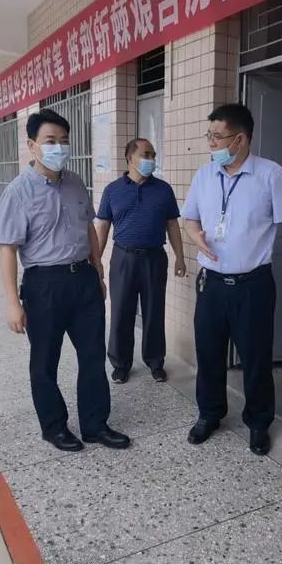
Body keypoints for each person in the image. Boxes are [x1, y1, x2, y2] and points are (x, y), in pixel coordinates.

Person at [182, 103, 282, 456]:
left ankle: (259, 423)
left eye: (218, 137)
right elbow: (189, 218)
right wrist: (195, 236)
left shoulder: (269, 174)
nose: (211, 143)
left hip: (253, 285)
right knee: (209, 352)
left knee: (256, 357)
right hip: (211, 283)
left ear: (241, 139)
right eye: (209, 136)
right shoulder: (204, 175)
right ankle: (209, 414)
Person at [0, 109, 131, 453]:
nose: (58, 148)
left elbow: (89, 229)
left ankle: (95, 425)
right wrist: (12, 302)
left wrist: (98, 272)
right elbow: (8, 249)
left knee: (93, 355)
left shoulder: (75, 182)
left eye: (63, 141)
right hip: (44, 285)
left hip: (83, 279)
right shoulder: (18, 191)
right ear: (32, 145)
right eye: (50, 141)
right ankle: (54, 427)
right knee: (45, 361)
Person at [95, 138, 186, 384]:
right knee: (121, 312)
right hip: (123, 258)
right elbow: (102, 227)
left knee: (154, 312)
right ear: (130, 158)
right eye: (146, 155)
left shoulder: (163, 189)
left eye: (153, 155)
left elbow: (172, 225)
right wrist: (96, 261)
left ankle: (155, 362)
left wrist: (180, 257)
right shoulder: (113, 190)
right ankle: (120, 364)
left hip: (154, 259)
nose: (151, 160)